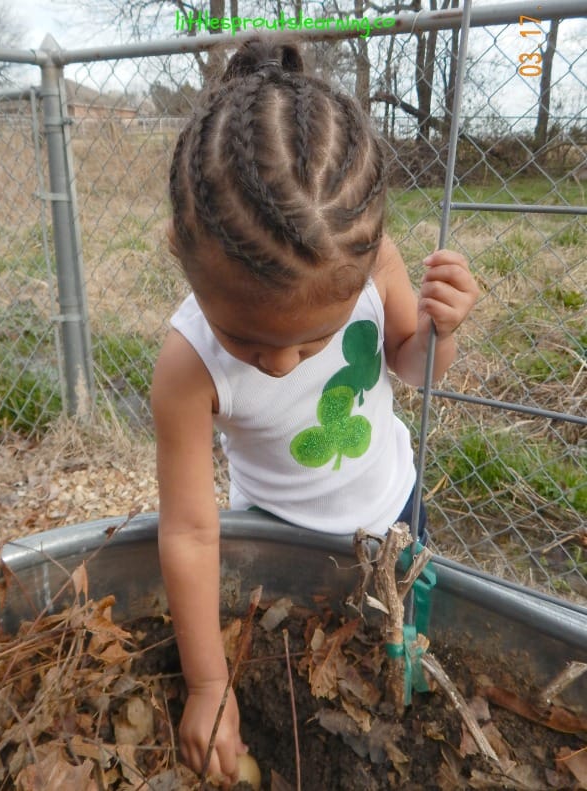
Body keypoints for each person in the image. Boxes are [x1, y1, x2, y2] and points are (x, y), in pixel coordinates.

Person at [151, 36, 479, 787]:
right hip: (275, 543)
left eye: (313, 339)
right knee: (297, 672)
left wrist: (438, 331)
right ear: (181, 251)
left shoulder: (375, 265)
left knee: (399, 647)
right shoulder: (186, 367)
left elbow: (410, 365)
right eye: (247, 337)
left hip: (394, 509)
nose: (278, 363)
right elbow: (193, 531)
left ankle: (410, 689)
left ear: (366, 271)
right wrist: (208, 684)